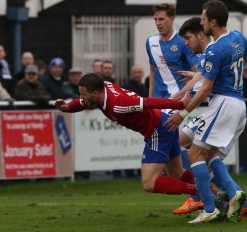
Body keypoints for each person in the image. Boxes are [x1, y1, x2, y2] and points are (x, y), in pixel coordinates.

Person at [165, 0, 247, 224]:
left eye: (204, 19)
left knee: (194, 154)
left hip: (224, 104)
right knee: (205, 153)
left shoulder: (216, 49)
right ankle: (237, 199)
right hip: (237, 104)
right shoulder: (238, 37)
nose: (202, 22)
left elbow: (205, 89)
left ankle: (208, 207)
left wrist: (183, 113)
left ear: (212, 22)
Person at [55, 73, 201, 198]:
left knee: (149, 183)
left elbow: (149, 102)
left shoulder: (118, 104)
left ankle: (201, 191)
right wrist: (68, 107)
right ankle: (211, 193)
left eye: (83, 94)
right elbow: (82, 103)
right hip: (164, 125)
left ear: (95, 94)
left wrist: (180, 105)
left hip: (158, 129)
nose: (81, 97)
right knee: (177, 174)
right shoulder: (101, 88)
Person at [147, 3, 199, 98]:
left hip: (178, 98)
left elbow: (197, 70)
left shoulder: (184, 42)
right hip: (158, 99)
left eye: (161, 19)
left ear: (172, 19)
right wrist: (150, 98)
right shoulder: (150, 42)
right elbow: (152, 70)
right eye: (155, 19)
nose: (158, 23)